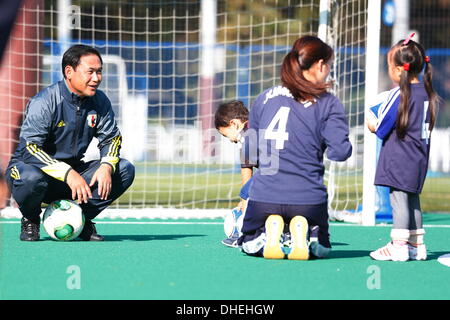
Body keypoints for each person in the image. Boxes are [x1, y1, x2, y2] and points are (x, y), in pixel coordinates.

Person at [237, 35, 352, 260]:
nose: (329, 71)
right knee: (323, 250)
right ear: (319, 65)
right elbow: (340, 152)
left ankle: (264, 232)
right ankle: (310, 232)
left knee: (248, 244)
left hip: (264, 196)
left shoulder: (263, 98)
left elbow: (250, 148)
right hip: (308, 198)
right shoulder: (328, 103)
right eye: (329, 65)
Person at [5, 44, 135, 241]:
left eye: (99, 72)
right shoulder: (44, 101)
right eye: (90, 72)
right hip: (31, 171)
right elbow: (31, 149)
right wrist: (67, 173)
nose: (96, 78)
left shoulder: (100, 101)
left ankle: (81, 220)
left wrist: (107, 165)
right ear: (69, 72)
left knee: (124, 169)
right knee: (30, 178)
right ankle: (30, 219)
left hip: (73, 176)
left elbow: (111, 138)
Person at [367, 34, 439, 261]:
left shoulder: (400, 94)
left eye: (388, 65)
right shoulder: (428, 94)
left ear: (399, 69)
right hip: (418, 159)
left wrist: (370, 119)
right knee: (412, 199)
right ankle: (417, 245)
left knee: (398, 200)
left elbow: (380, 128)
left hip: (398, 158)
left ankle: (398, 246)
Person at [214, 100, 254, 247]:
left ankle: (247, 234)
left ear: (234, 124)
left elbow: (248, 167)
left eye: (226, 135)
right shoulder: (257, 128)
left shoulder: (248, 135)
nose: (230, 141)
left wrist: (245, 199)